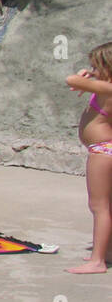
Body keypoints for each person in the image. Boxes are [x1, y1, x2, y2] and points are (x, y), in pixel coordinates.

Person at [64, 42, 112, 273]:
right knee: (107, 205)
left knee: (99, 206)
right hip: (105, 149)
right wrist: (94, 76)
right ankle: (107, 250)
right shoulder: (106, 87)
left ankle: (98, 261)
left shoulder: (108, 88)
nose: (92, 69)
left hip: (103, 151)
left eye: (96, 65)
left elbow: (71, 80)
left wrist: (87, 76)